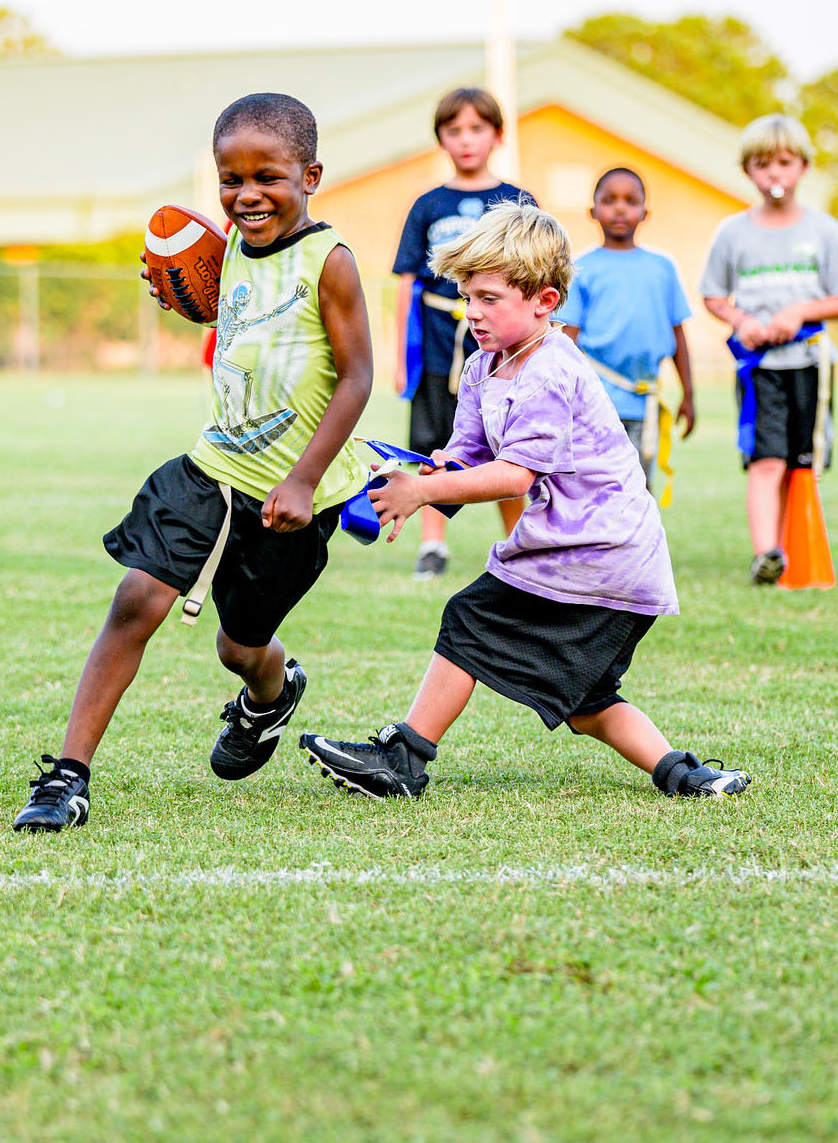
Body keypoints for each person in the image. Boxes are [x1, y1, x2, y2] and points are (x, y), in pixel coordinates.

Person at [301, 203, 750, 803]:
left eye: (490, 298)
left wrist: (426, 490)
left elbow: (513, 476)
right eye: (467, 296)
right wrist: (400, 473)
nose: (473, 312)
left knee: (468, 617)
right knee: (588, 703)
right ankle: (687, 776)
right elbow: (464, 455)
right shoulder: (487, 363)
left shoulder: (550, 371)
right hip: (590, 549)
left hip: (601, 549)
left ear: (544, 300)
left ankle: (403, 761)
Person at [14, 92, 373, 832]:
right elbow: (241, 313)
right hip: (210, 469)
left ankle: (270, 694)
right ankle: (67, 777)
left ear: (311, 175)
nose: (246, 195)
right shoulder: (235, 245)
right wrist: (198, 300)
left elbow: (357, 375)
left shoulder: (329, 262)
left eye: (267, 177)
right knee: (135, 601)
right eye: (229, 179)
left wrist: (304, 477)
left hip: (290, 493)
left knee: (240, 645)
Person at [700, 115, 838, 584]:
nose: (775, 174)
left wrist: (802, 311)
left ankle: (794, 549)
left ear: (804, 167)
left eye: (785, 163)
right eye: (763, 164)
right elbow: (713, 296)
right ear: (748, 171)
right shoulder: (733, 232)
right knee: (765, 458)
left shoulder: (825, 230)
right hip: (760, 369)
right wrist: (741, 321)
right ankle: (765, 554)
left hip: (811, 364)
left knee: (802, 461)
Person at [392, 87, 535, 579]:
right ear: (441, 139)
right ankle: (433, 546)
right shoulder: (428, 204)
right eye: (454, 131)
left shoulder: (518, 201)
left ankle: (517, 545)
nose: (466, 140)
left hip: (502, 348)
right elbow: (407, 284)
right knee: (435, 441)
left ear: (497, 134)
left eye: (477, 128)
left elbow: (537, 278)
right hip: (436, 342)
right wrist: (398, 356)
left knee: (505, 443)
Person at [558, 168, 695, 496]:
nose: (620, 209)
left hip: (643, 401)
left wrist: (689, 395)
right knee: (594, 485)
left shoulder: (662, 268)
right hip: (593, 402)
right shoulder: (579, 268)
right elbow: (566, 339)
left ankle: (639, 547)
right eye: (610, 200)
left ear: (645, 212)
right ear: (593, 211)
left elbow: (678, 335)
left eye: (631, 201)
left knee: (639, 487)